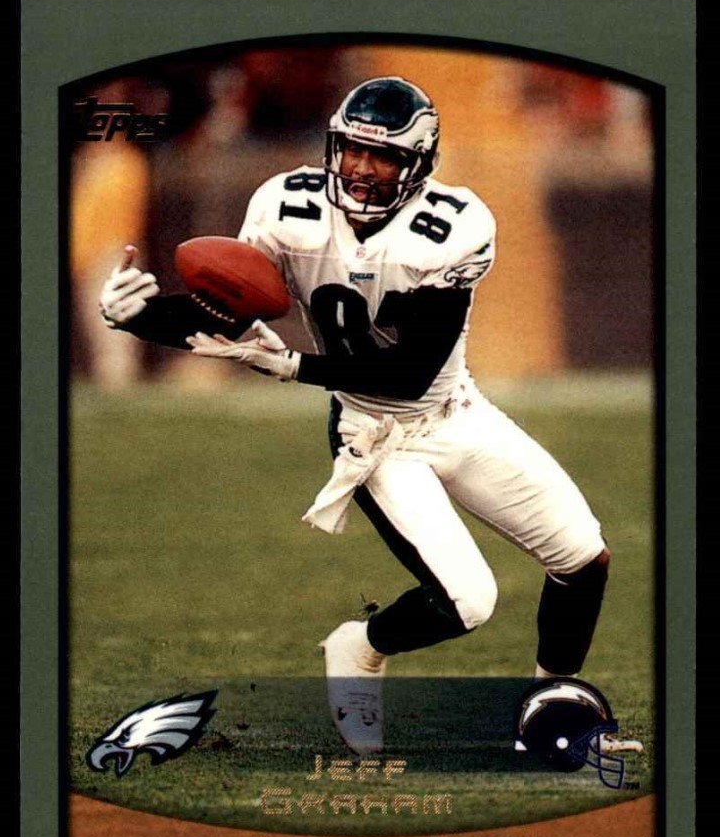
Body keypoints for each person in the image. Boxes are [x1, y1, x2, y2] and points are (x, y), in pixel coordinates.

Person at [99, 76, 610, 757]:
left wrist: (295, 367)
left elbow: (412, 372)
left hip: (453, 411)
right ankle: (360, 644)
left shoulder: (453, 226)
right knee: (469, 600)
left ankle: (551, 709)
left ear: (418, 163)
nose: (364, 169)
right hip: (376, 436)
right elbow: (228, 315)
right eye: (353, 150)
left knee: (582, 557)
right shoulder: (287, 207)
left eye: (385, 156)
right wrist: (137, 314)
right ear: (333, 147)